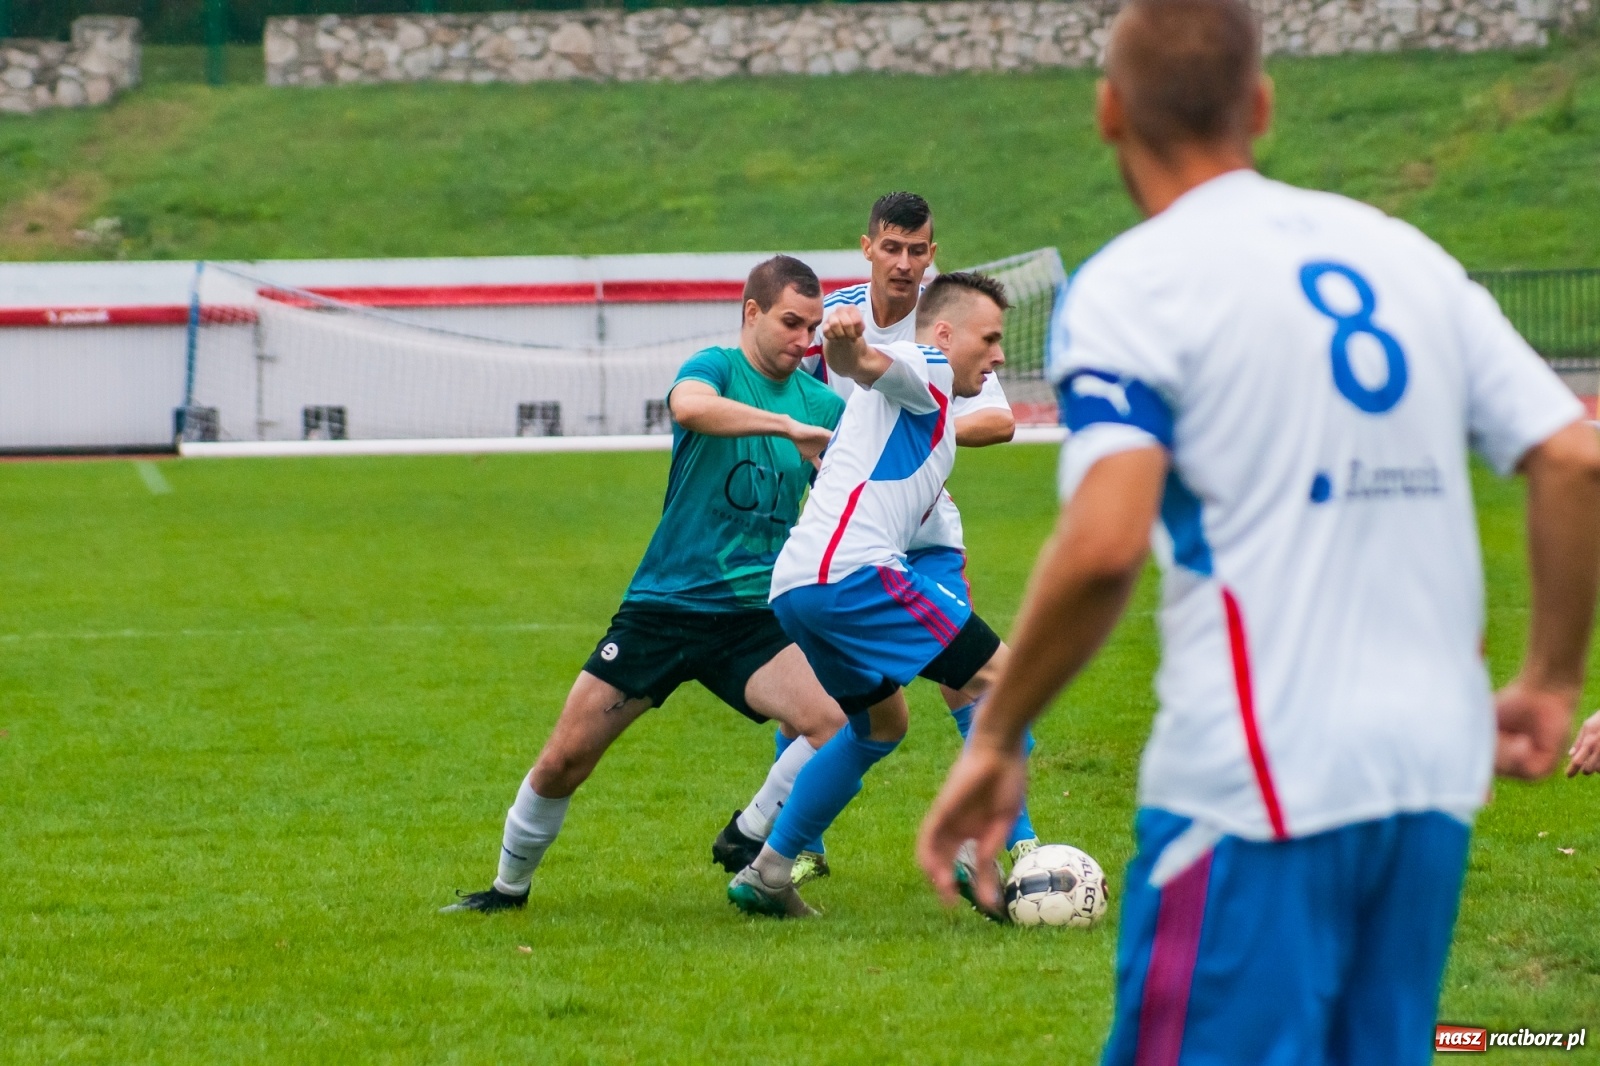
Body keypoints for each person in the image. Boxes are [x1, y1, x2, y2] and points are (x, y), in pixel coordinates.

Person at [916, 0, 1600, 1060]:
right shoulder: (1402, 255)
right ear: (1262, 103)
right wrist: (1552, 679)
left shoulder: (1134, 286)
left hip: (1255, 780)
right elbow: (1569, 456)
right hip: (1429, 771)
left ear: (1107, 112)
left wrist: (997, 738)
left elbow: (1102, 545)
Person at [442, 255, 850, 914]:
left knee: (837, 723)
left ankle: (748, 838)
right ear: (751, 312)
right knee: (564, 760)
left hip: (750, 617)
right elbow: (690, 409)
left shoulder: (825, 404)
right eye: (790, 323)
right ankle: (505, 891)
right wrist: (784, 428)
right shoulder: (716, 367)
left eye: (812, 328)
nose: (804, 342)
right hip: (663, 607)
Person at [710, 193, 1042, 890]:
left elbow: (983, 413)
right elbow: (872, 366)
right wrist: (849, 350)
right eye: (892, 247)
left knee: (877, 724)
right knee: (1001, 681)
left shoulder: (940, 371)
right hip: (859, 569)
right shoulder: (914, 359)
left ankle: (766, 864)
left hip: (814, 575)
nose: (1001, 356)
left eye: (918, 250)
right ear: (868, 248)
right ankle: (986, 842)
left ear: (931, 256)